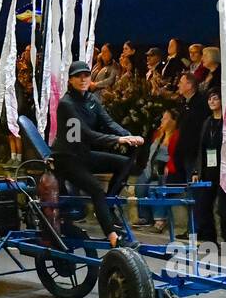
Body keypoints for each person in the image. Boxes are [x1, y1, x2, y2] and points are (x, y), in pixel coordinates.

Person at [51, 59, 146, 246]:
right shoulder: (66, 104)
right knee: (95, 189)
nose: (83, 79)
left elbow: (109, 123)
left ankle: (108, 205)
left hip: (84, 155)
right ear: (70, 80)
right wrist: (118, 140)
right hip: (67, 159)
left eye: (86, 75)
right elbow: (86, 135)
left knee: (126, 164)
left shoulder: (92, 100)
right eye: (78, 76)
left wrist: (129, 136)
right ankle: (113, 238)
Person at [192, 89, 226, 243]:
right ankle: (209, 240)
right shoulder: (207, 122)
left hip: (225, 171)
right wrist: (197, 170)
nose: (211, 101)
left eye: (215, 98)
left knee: (223, 210)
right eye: (210, 99)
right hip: (208, 171)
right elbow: (201, 148)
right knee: (204, 206)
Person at [137, 107, 180, 230]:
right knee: (140, 186)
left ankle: (159, 220)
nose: (162, 120)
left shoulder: (176, 136)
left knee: (154, 188)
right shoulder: (158, 133)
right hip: (150, 168)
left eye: (165, 118)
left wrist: (168, 166)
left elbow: (175, 155)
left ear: (173, 121)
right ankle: (145, 218)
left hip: (163, 170)